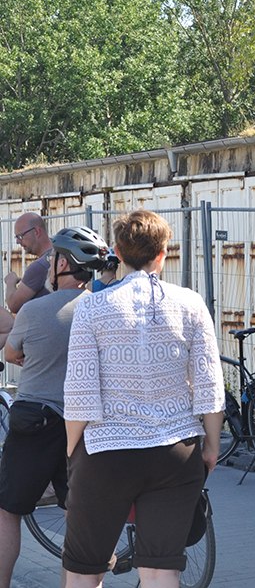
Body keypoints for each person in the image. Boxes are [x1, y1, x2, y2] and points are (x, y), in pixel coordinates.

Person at [61, 210, 224, 588]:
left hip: (106, 450)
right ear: (164, 252)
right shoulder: (191, 303)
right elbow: (208, 382)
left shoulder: (92, 307)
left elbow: (80, 390)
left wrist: (73, 452)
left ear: (117, 251)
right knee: (161, 570)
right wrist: (211, 445)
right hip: (175, 451)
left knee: (85, 569)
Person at [0, 227, 109, 588]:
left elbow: (12, 353)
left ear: (63, 263)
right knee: (82, 516)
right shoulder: (103, 309)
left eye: (52, 258)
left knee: (8, 511)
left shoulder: (33, 310)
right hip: (84, 426)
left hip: (34, 421)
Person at [1, 213, 54, 348]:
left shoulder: (39, 266)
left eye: (20, 236)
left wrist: (10, 283)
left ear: (36, 232)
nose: (18, 242)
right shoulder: (58, 255)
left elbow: (14, 304)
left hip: (42, 339)